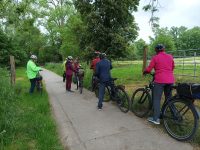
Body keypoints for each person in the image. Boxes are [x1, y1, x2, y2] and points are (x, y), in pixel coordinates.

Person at [143, 44, 175, 125]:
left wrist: (145, 71)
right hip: (170, 80)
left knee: (157, 99)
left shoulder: (155, 57)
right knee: (169, 98)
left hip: (160, 80)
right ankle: (174, 115)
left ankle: (156, 119)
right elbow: (172, 67)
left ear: (156, 50)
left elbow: (149, 69)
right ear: (164, 49)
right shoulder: (170, 56)